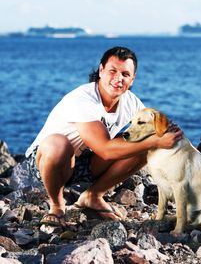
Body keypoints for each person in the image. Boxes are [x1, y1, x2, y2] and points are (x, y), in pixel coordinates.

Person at [25, 46, 182, 226]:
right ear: (101, 71)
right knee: (58, 144)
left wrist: (168, 132)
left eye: (125, 74)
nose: (118, 79)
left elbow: (156, 128)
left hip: (83, 164)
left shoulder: (130, 101)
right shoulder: (83, 99)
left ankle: (93, 196)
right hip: (46, 165)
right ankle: (57, 205)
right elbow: (105, 150)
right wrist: (156, 140)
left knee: (145, 142)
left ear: (132, 79)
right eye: (112, 71)